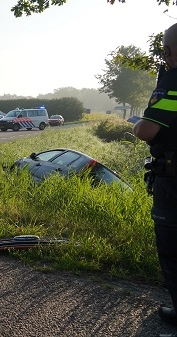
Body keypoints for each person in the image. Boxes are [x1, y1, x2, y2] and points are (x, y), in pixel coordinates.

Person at [133, 22, 177, 327]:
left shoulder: (173, 84)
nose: (164, 56)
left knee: (173, 250)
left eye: (167, 49)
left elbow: (146, 130)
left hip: (174, 180)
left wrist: (138, 123)